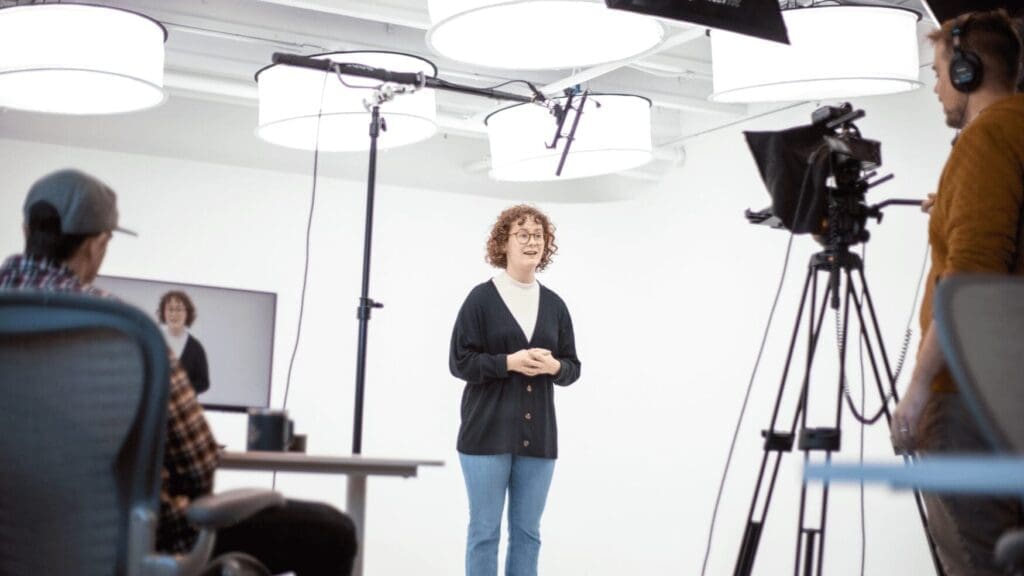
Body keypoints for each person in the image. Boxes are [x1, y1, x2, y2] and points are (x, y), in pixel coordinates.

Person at [0, 169, 357, 576]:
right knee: (332, 531)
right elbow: (197, 462)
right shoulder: (125, 332)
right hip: (129, 542)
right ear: (99, 243)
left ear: (26, 228)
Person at [891, 10, 1024, 576]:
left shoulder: (987, 138)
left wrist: (917, 393)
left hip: (966, 396)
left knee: (978, 562)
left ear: (969, 72)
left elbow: (969, 280)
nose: (939, 89)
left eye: (941, 72)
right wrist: (949, 203)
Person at [449, 204, 581, 576]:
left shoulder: (555, 305)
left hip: (538, 438)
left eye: (538, 235)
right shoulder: (480, 299)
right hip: (484, 435)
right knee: (484, 532)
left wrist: (555, 367)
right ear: (503, 243)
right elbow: (460, 362)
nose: (531, 241)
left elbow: (572, 367)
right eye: (522, 234)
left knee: (528, 533)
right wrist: (508, 362)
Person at [158, 290, 211, 395]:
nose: (174, 314)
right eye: (170, 309)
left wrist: (181, 390)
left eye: (179, 309)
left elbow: (204, 382)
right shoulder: (155, 341)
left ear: (188, 313)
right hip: (156, 407)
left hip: (182, 409)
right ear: (163, 313)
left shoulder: (195, 347)